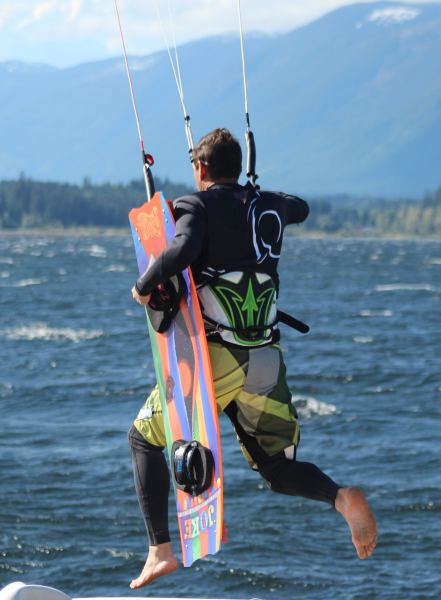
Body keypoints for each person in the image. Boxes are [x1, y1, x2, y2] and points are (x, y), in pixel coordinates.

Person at [128, 128, 377, 589]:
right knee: (278, 469)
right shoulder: (271, 206)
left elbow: (180, 249)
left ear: (200, 170)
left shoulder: (195, 206)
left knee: (143, 439)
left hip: (221, 358)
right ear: (237, 168)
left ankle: (159, 551)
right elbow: (299, 207)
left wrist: (145, 285)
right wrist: (263, 198)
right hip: (267, 359)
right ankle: (340, 497)